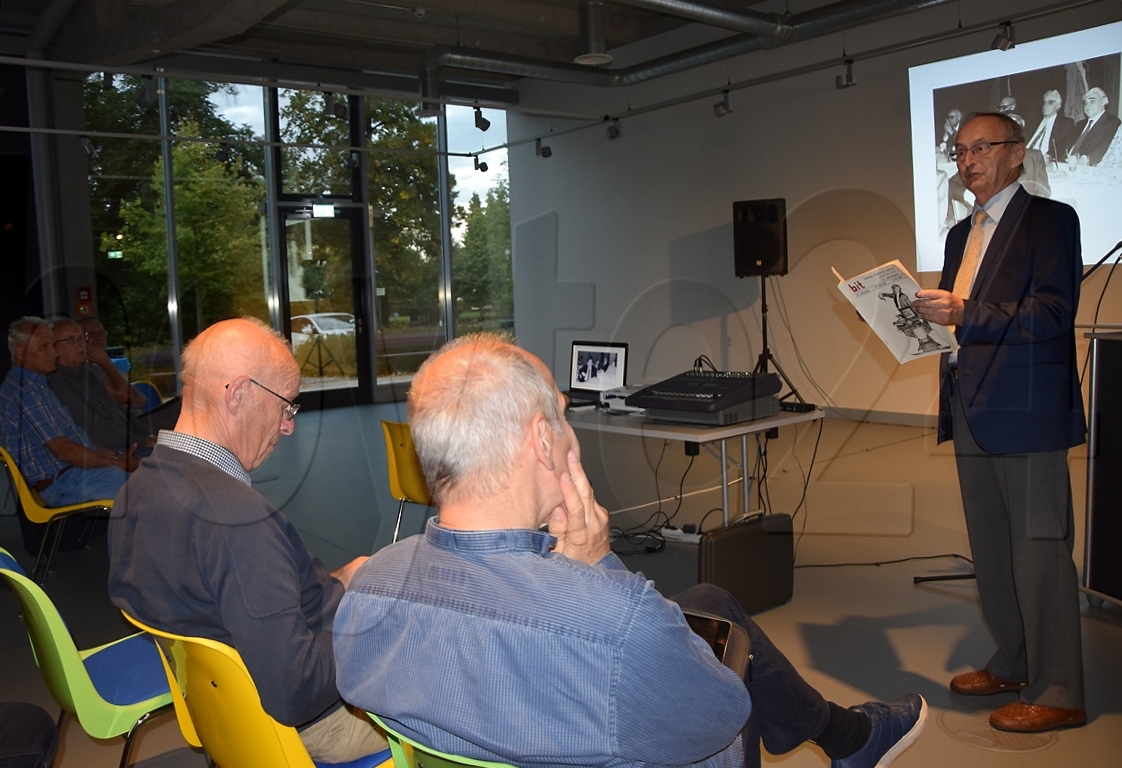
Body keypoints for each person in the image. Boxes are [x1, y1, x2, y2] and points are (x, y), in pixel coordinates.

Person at [333, 334, 926, 768]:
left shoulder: (367, 590)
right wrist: (599, 572)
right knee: (722, 674)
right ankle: (845, 736)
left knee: (710, 600)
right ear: (542, 439)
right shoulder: (615, 622)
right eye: (561, 420)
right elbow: (721, 719)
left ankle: (844, 737)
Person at [107, 317, 387, 764]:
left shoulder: (137, 490)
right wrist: (374, 629)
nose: (288, 426)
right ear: (238, 395)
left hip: (226, 708)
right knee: (462, 675)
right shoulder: (237, 524)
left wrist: (337, 582)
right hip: (314, 725)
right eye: (286, 407)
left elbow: (229, 600)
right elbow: (293, 690)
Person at [914, 113, 1086, 733]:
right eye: (959, 150)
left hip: (1027, 408)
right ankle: (1014, 661)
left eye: (981, 147)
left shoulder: (1051, 220)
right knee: (991, 550)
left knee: (1038, 552)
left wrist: (966, 311)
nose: (967, 160)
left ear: (1016, 153)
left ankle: (1060, 687)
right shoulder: (961, 233)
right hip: (970, 402)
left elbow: (1051, 312)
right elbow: (958, 317)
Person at [0, 317, 134, 509]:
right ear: (21, 353)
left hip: (74, 474)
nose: (54, 353)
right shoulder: (24, 393)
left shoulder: (38, 386)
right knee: (146, 492)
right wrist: (116, 464)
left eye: (53, 346)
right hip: (60, 483)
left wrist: (116, 457)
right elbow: (65, 451)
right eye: (44, 347)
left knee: (150, 481)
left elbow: (78, 438)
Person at [47, 319, 155, 455]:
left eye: (81, 338)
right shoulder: (56, 382)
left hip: (131, 436)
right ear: (53, 348)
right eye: (71, 340)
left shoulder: (86, 374)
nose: (80, 343)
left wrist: (150, 436)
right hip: (112, 449)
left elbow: (122, 410)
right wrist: (142, 441)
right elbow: (95, 428)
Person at [75, 316, 147, 410]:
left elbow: (142, 400)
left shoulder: (100, 366)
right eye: (91, 334)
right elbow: (127, 397)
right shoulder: (85, 370)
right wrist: (106, 362)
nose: (99, 337)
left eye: (102, 332)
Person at [1066, 87, 1121, 167]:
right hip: (1066, 164)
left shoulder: (1112, 122)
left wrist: (1083, 160)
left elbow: (1103, 147)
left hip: (1088, 168)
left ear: (1103, 102)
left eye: (1092, 101)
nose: (1087, 105)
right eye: (1085, 103)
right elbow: (1065, 142)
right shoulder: (1080, 124)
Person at [1024, 90, 1075, 164]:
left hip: (1043, 162)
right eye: (1044, 102)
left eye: (1050, 102)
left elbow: (1062, 149)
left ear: (1058, 106)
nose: (1045, 105)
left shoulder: (1065, 124)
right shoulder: (1033, 122)